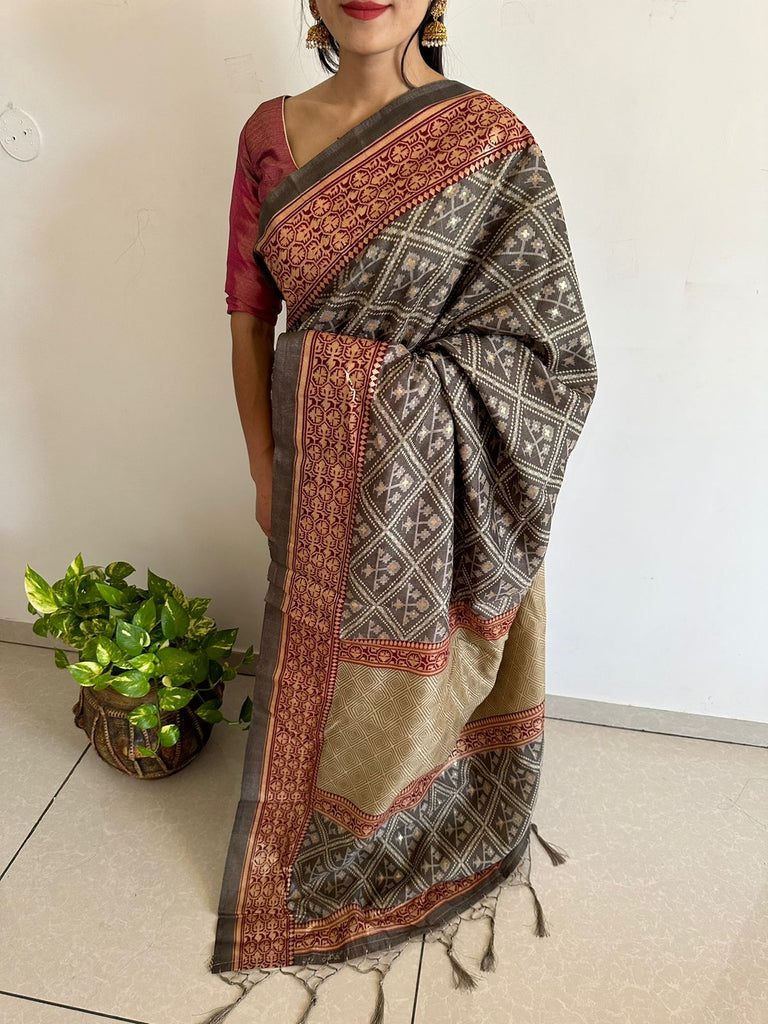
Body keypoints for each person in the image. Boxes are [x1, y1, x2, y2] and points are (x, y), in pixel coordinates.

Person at [207, 2, 598, 1021]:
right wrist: (263, 462)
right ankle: (322, 825)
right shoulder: (267, 134)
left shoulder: (489, 141)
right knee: (322, 656)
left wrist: (387, 392)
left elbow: (548, 356)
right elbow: (249, 313)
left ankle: (411, 810)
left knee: (404, 663)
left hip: (436, 480)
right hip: (314, 466)